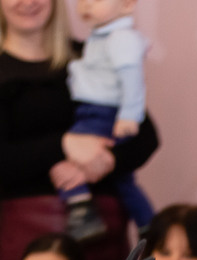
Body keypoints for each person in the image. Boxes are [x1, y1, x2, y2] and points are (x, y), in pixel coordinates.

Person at [0, 0, 160, 260]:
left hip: (101, 232)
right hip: (31, 241)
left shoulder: (90, 55)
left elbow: (145, 137)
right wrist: (65, 145)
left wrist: (102, 162)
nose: (28, 2)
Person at [58, 0, 153, 240]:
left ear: (127, 4)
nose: (86, 5)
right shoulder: (101, 36)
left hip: (101, 111)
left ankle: (82, 210)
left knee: (68, 162)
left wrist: (130, 115)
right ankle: (149, 225)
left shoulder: (121, 38)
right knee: (123, 180)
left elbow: (133, 81)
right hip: (96, 108)